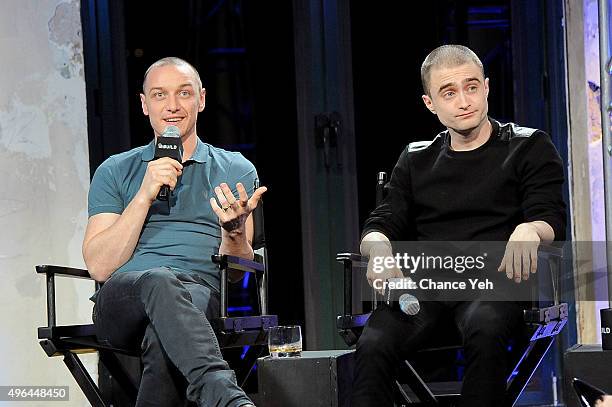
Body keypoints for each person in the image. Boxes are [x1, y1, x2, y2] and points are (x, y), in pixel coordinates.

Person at [351, 45, 566, 406]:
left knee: (485, 324)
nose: (464, 101)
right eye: (449, 93)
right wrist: (379, 251)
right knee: (374, 341)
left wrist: (531, 229)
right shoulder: (416, 158)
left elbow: (551, 217)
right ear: (430, 103)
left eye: (471, 87)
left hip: (495, 285)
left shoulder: (529, 146)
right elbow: (382, 222)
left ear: (486, 87)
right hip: (429, 288)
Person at [83, 57, 265, 407]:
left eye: (183, 93)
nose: (172, 106)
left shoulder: (235, 168)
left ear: (202, 99)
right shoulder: (115, 170)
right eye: (159, 95)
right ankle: (222, 394)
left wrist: (234, 232)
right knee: (159, 280)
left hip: (198, 294)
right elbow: (100, 266)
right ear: (144, 104)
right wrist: (144, 194)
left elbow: (240, 271)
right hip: (125, 298)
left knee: (164, 340)